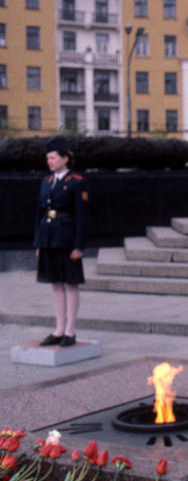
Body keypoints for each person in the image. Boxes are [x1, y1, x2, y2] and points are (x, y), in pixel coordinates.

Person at [33, 137, 90, 347]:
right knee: (56, 284)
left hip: (67, 238)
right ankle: (58, 329)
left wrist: (79, 246)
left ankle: (70, 330)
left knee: (70, 284)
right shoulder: (46, 182)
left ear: (65, 158)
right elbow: (39, 213)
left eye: (53, 157)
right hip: (49, 237)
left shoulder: (77, 181)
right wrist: (39, 242)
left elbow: (82, 217)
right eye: (47, 158)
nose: (49, 161)